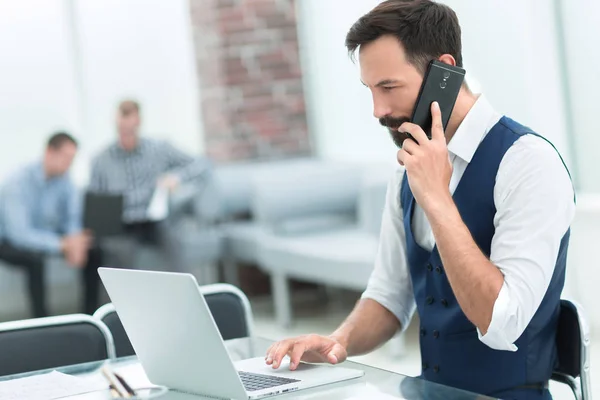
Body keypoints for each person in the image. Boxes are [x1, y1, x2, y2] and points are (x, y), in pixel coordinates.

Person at [264, 1, 574, 399]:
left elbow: (501, 321)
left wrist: (438, 199)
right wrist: (335, 343)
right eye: (370, 90)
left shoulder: (528, 163)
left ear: (443, 72)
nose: (378, 110)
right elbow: (389, 296)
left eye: (389, 87)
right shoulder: (408, 169)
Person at [88, 100, 210, 270]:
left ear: (138, 122)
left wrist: (176, 177)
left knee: (175, 245)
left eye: (130, 129)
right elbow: (96, 205)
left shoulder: (159, 149)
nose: (126, 134)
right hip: (123, 224)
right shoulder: (101, 160)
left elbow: (200, 164)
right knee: (117, 255)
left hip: (155, 221)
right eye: (122, 129)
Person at [0, 132, 103, 317]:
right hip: (9, 241)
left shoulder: (65, 180)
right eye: (66, 158)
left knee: (94, 250)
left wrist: (75, 242)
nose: (69, 164)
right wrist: (62, 244)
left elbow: (72, 216)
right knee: (34, 259)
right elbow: (20, 235)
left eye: (72, 159)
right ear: (49, 152)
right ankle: (42, 320)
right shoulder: (16, 183)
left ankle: (91, 316)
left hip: (50, 236)